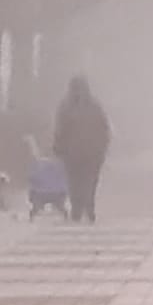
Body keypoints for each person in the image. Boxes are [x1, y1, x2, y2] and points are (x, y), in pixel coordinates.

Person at [52, 76, 111, 223]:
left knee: (75, 181)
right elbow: (104, 128)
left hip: (73, 152)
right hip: (93, 152)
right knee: (89, 181)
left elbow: (60, 129)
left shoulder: (66, 107)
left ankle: (77, 209)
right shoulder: (94, 106)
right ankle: (88, 207)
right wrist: (102, 146)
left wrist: (58, 147)